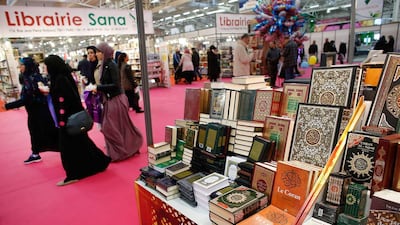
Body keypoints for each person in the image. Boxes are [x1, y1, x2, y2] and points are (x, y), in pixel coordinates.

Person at [44, 55, 111, 186]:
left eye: (47, 66)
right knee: (82, 142)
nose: (45, 69)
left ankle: (73, 173)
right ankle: (100, 162)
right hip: (73, 118)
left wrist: (62, 120)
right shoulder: (64, 76)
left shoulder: (60, 79)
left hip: (68, 119)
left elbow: (63, 100)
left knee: (67, 147)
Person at [95, 42, 143, 162]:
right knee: (117, 126)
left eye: (98, 52)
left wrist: (99, 88)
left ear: (104, 52)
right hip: (110, 99)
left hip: (116, 99)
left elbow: (116, 84)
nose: (96, 54)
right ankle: (120, 151)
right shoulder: (104, 65)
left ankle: (124, 149)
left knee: (111, 127)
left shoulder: (111, 65)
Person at [4, 57, 59, 164]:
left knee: (45, 131)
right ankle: (35, 153)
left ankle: (40, 152)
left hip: (38, 111)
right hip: (38, 110)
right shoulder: (32, 77)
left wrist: (7, 106)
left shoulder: (30, 79)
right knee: (38, 132)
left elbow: (27, 99)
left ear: (27, 66)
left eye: (22, 65)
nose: (20, 67)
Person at [82, 46, 103, 125]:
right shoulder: (89, 65)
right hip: (94, 94)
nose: (90, 55)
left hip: (102, 93)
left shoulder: (100, 65)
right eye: (88, 53)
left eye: (91, 53)